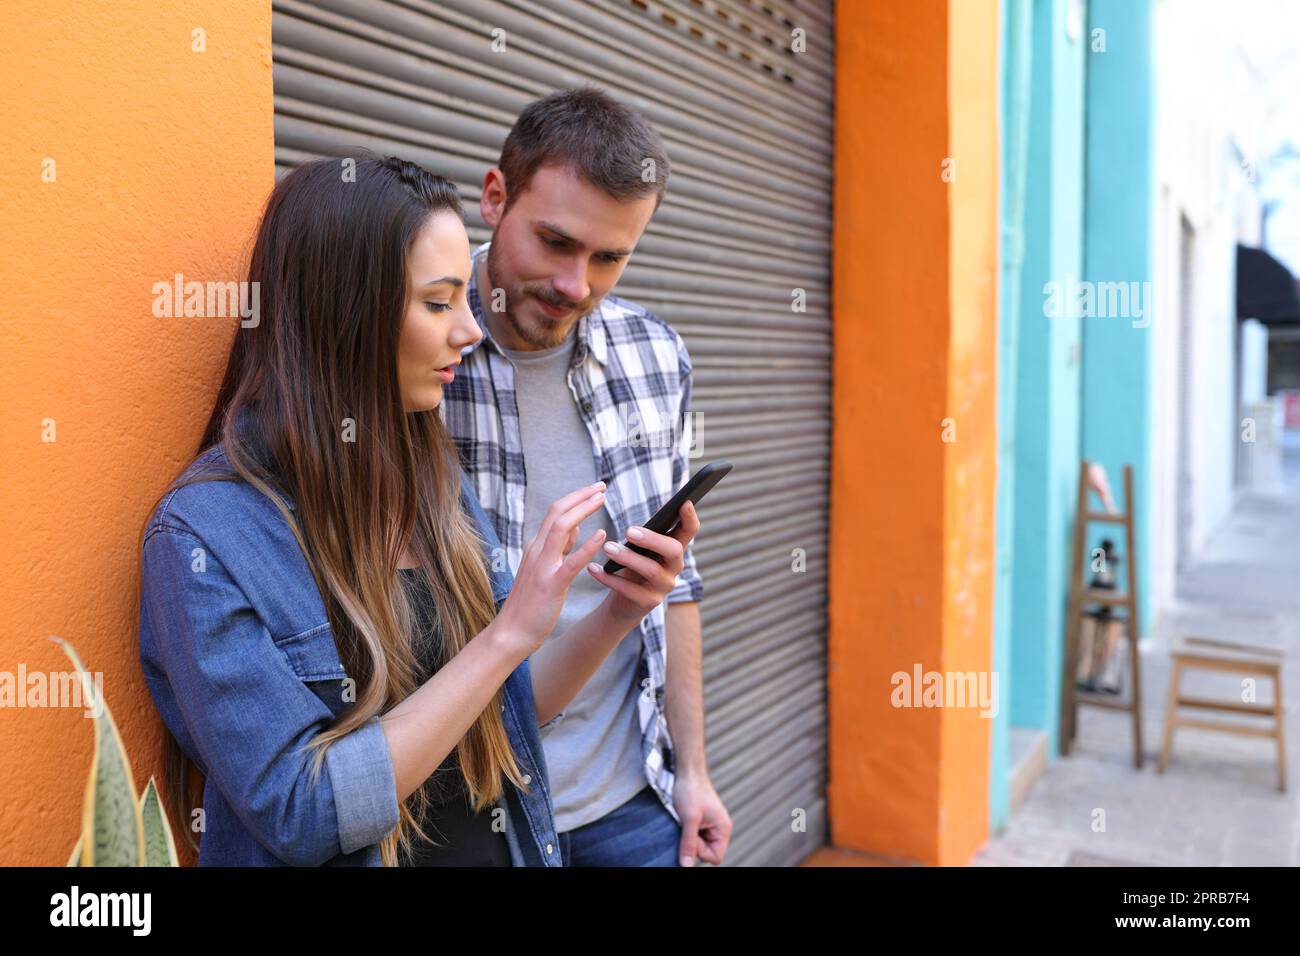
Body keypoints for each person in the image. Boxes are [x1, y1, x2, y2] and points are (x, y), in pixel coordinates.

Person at [136, 155, 697, 866]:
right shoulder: (204, 540)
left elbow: (506, 716)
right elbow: (302, 809)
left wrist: (620, 609)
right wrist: (506, 636)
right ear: (345, 313)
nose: (469, 330)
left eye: (465, 298)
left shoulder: (432, 480)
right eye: (438, 303)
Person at [441, 87, 733, 867]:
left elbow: (677, 584)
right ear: (494, 196)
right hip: (469, 811)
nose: (577, 285)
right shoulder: (415, 351)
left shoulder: (654, 354)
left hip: (628, 802)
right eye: (556, 243)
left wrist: (693, 775)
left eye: (609, 257)